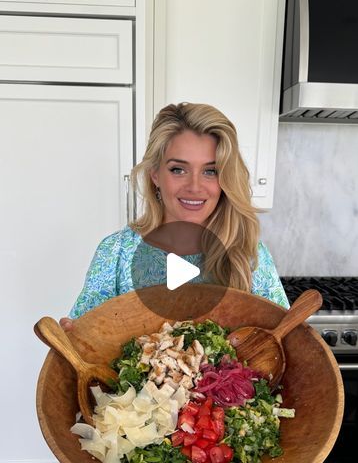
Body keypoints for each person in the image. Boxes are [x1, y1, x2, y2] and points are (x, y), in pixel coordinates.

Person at [60, 102, 288, 330]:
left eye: (211, 171)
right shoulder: (116, 253)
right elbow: (85, 343)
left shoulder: (248, 255)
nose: (195, 187)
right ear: (155, 175)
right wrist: (73, 338)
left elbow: (286, 340)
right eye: (178, 169)